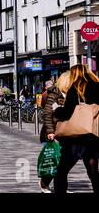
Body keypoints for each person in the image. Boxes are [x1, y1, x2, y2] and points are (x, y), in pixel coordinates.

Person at [53, 65, 99, 194]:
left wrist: (56, 110)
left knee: (62, 170)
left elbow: (67, 113)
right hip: (94, 134)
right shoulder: (97, 85)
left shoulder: (76, 88)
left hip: (77, 136)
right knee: (93, 170)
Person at [38, 74, 69, 193]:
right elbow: (47, 114)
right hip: (52, 132)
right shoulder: (54, 94)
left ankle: (60, 187)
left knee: (62, 161)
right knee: (52, 159)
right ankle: (44, 182)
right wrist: (50, 131)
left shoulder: (71, 95)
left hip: (64, 132)